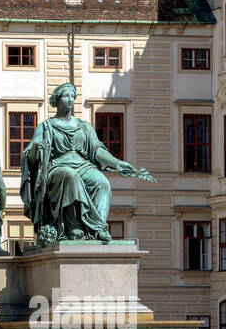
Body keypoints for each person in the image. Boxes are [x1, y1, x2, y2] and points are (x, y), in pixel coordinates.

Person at [19, 82, 154, 244]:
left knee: (101, 182)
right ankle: (73, 226)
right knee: (70, 176)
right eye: (66, 96)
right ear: (57, 99)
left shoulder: (84, 127)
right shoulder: (46, 127)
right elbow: (30, 157)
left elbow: (97, 151)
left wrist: (117, 163)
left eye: (73, 96)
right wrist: (37, 149)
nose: (70, 100)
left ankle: (98, 228)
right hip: (58, 167)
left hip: (83, 165)